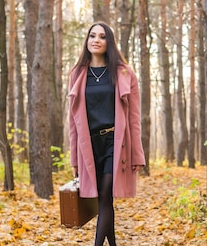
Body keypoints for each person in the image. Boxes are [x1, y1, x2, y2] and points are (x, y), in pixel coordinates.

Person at [68, 21, 146, 246]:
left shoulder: (123, 72)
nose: (96, 40)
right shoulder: (78, 74)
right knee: (104, 200)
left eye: (102, 37)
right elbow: (72, 123)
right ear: (87, 41)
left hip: (116, 142)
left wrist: (137, 155)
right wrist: (74, 158)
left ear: (108, 42)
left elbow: (134, 118)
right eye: (92, 36)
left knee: (105, 196)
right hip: (89, 145)